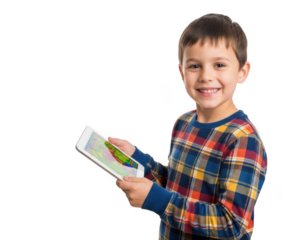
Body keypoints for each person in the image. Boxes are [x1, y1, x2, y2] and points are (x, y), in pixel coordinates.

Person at [108, 12, 268, 240]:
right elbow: (176, 184)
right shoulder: (182, 123)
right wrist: (137, 159)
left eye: (219, 64)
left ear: (242, 72)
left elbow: (231, 223)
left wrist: (158, 202)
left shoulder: (242, 138)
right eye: (195, 66)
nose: (206, 76)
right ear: (182, 72)